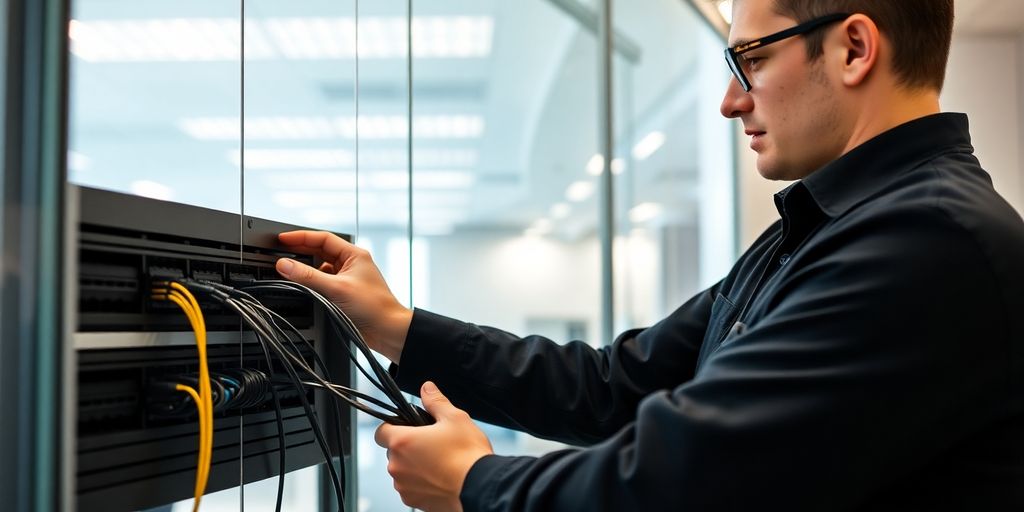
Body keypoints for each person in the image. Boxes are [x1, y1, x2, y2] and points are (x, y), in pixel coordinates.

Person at [275, 0, 1024, 510]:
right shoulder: (821, 229)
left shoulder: (929, 245)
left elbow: (686, 486)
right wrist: (396, 327)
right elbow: (613, 386)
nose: (732, 101)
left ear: (854, 47)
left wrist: (477, 483)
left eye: (750, 61)